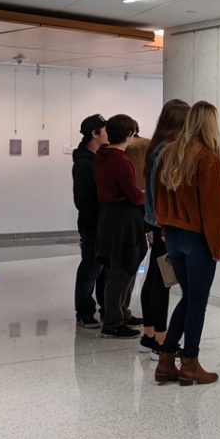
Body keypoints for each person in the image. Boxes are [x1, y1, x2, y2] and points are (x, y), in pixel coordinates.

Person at [154, 101, 220, 386]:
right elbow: (214, 209)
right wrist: (217, 244)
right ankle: (190, 363)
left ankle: (165, 359)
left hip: (173, 236)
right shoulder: (207, 157)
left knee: (188, 298)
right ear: (209, 123)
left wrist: (163, 227)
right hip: (197, 239)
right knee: (198, 303)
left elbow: (157, 195)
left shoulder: (170, 152)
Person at [139, 100, 189, 359]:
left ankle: (149, 335)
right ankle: (160, 340)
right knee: (162, 282)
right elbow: (164, 192)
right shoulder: (166, 151)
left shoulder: (154, 148)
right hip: (163, 224)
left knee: (154, 279)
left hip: (154, 221)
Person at [94, 114, 146, 339]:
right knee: (121, 271)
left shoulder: (102, 156)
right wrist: (149, 196)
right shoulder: (120, 160)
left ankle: (121, 313)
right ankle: (113, 321)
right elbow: (133, 196)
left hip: (111, 217)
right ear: (128, 134)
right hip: (123, 220)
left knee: (122, 269)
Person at [72, 114, 108, 328]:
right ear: (95, 134)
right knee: (90, 268)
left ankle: (106, 307)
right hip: (93, 225)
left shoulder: (96, 159)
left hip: (102, 223)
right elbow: (83, 200)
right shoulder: (84, 164)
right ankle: (84, 310)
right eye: (105, 131)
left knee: (103, 268)